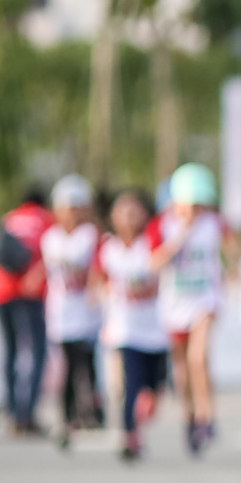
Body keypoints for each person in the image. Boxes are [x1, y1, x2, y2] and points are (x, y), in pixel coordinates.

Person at [149, 163, 231, 455]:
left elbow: (229, 252)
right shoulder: (162, 225)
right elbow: (154, 262)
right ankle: (189, 417)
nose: (197, 210)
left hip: (205, 300)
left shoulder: (215, 223)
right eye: (191, 204)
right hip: (174, 304)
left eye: (201, 204)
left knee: (199, 357)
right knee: (182, 370)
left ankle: (207, 416)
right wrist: (180, 236)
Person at [94, 190, 170, 462]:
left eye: (133, 209)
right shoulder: (107, 248)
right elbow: (97, 282)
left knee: (155, 386)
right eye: (121, 210)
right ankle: (129, 436)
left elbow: (164, 264)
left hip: (156, 330)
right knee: (131, 385)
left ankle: (143, 412)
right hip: (124, 329)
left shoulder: (151, 243)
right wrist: (103, 291)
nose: (127, 215)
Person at [0, 185, 55, 436]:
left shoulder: (8, 220)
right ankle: (26, 415)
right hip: (29, 290)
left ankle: (12, 411)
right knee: (37, 350)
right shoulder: (46, 221)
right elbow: (54, 254)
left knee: (10, 349)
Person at [42, 175, 104, 450]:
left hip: (87, 312)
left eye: (77, 206)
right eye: (67, 207)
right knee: (69, 365)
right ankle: (68, 416)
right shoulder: (51, 238)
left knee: (88, 364)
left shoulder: (91, 236)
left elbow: (95, 268)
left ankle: (93, 412)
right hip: (62, 311)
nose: (72, 213)